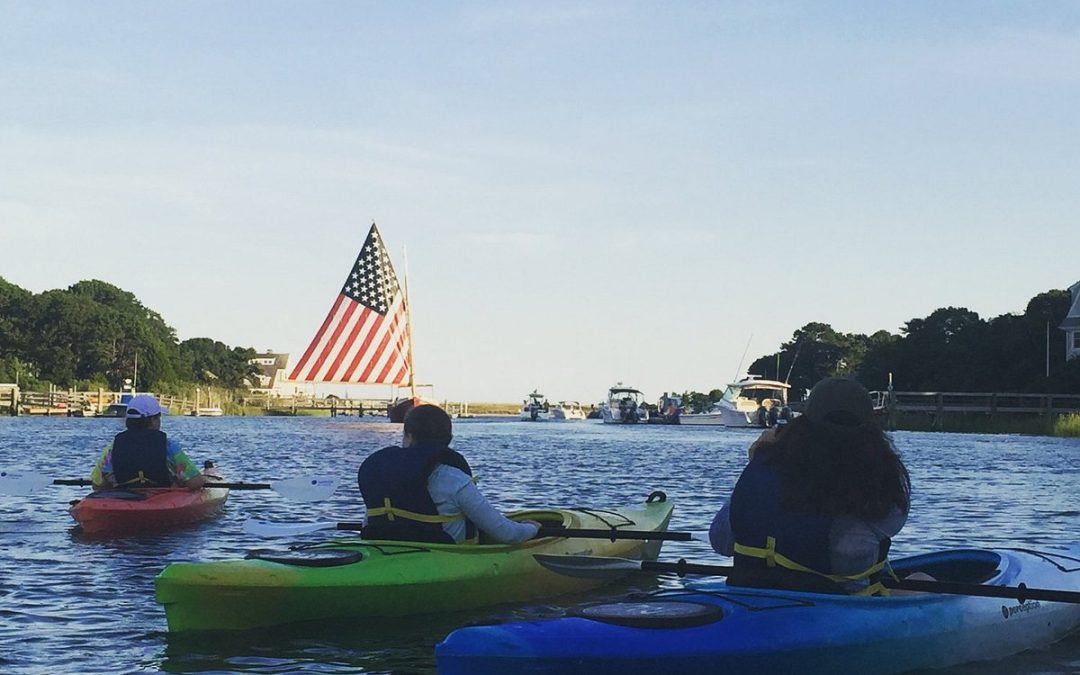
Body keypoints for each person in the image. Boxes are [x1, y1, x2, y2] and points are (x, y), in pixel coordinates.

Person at [709, 377, 910, 595]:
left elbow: (721, 542)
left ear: (802, 423)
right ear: (869, 431)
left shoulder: (764, 467)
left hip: (753, 597)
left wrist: (757, 461)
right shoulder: (879, 486)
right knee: (921, 580)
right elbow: (867, 543)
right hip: (842, 607)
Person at [358, 404, 540, 544]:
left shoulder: (384, 474)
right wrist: (532, 529)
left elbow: (368, 524)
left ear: (410, 436)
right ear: (448, 440)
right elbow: (507, 534)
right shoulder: (454, 480)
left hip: (385, 550)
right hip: (443, 555)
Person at [90, 394, 207, 490]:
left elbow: (97, 484)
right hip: (163, 500)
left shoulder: (113, 447)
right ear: (153, 420)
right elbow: (195, 482)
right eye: (159, 417)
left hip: (125, 499)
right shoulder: (168, 446)